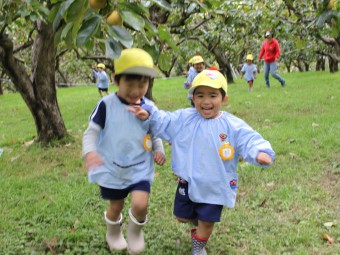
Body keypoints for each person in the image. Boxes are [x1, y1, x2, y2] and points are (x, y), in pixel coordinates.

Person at [129, 70, 275, 255]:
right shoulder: (185, 118)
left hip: (215, 185)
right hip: (188, 182)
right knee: (182, 217)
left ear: (224, 99)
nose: (206, 101)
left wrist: (259, 152)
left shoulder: (231, 124)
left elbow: (248, 138)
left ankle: (198, 246)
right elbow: (165, 121)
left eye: (212, 95)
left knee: (206, 223)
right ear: (193, 98)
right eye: (200, 96)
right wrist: (148, 113)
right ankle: (198, 221)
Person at [82, 48, 166, 254]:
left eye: (142, 84)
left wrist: (158, 148)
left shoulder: (149, 107)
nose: (136, 90)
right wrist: (90, 152)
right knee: (115, 206)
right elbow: (91, 132)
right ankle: (113, 232)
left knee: (140, 204)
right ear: (116, 80)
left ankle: (135, 232)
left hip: (140, 166)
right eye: (130, 83)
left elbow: (155, 131)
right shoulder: (106, 105)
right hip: (113, 168)